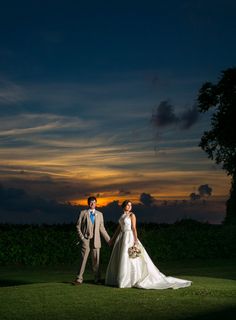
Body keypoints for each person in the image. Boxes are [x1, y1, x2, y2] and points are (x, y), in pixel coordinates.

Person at [105, 200, 192, 289]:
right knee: (122, 257)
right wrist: (112, 240)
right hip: (122, 237)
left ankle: (130, 279)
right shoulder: (122, 216)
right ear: (124, 206)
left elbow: (134, 228)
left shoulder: (132, 215)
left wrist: (135, 241)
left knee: (132, 257)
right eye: (128, 205)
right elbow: (118, 229)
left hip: (129, 236)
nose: (130, 207)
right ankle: (121, 279)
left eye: (131, 205)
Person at [72, 196, 110, 285]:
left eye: (94, 202)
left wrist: (109, 240)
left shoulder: (100, 214)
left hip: (96, 241)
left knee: (96, 261)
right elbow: (77, 226)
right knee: (83, 260)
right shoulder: (83, 213)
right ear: (88, 203)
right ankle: (79, 279)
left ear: (96, 203)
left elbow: (102, 228)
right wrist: (82, 238)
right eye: (90, 202)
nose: (92, 204)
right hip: (86, 240)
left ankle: (97, 279)